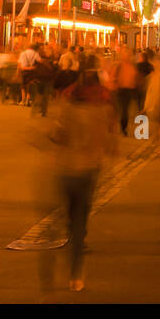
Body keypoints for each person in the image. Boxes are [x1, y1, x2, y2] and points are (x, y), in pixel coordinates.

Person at [49, 69, 116, 292]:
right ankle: (76, 274)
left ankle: (72, 246)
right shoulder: (103, 109)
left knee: (70, 215)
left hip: (67, 169)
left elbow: (57, 134)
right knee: (81, 216)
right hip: (89, 169)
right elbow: (110, 142)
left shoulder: (68, 106)